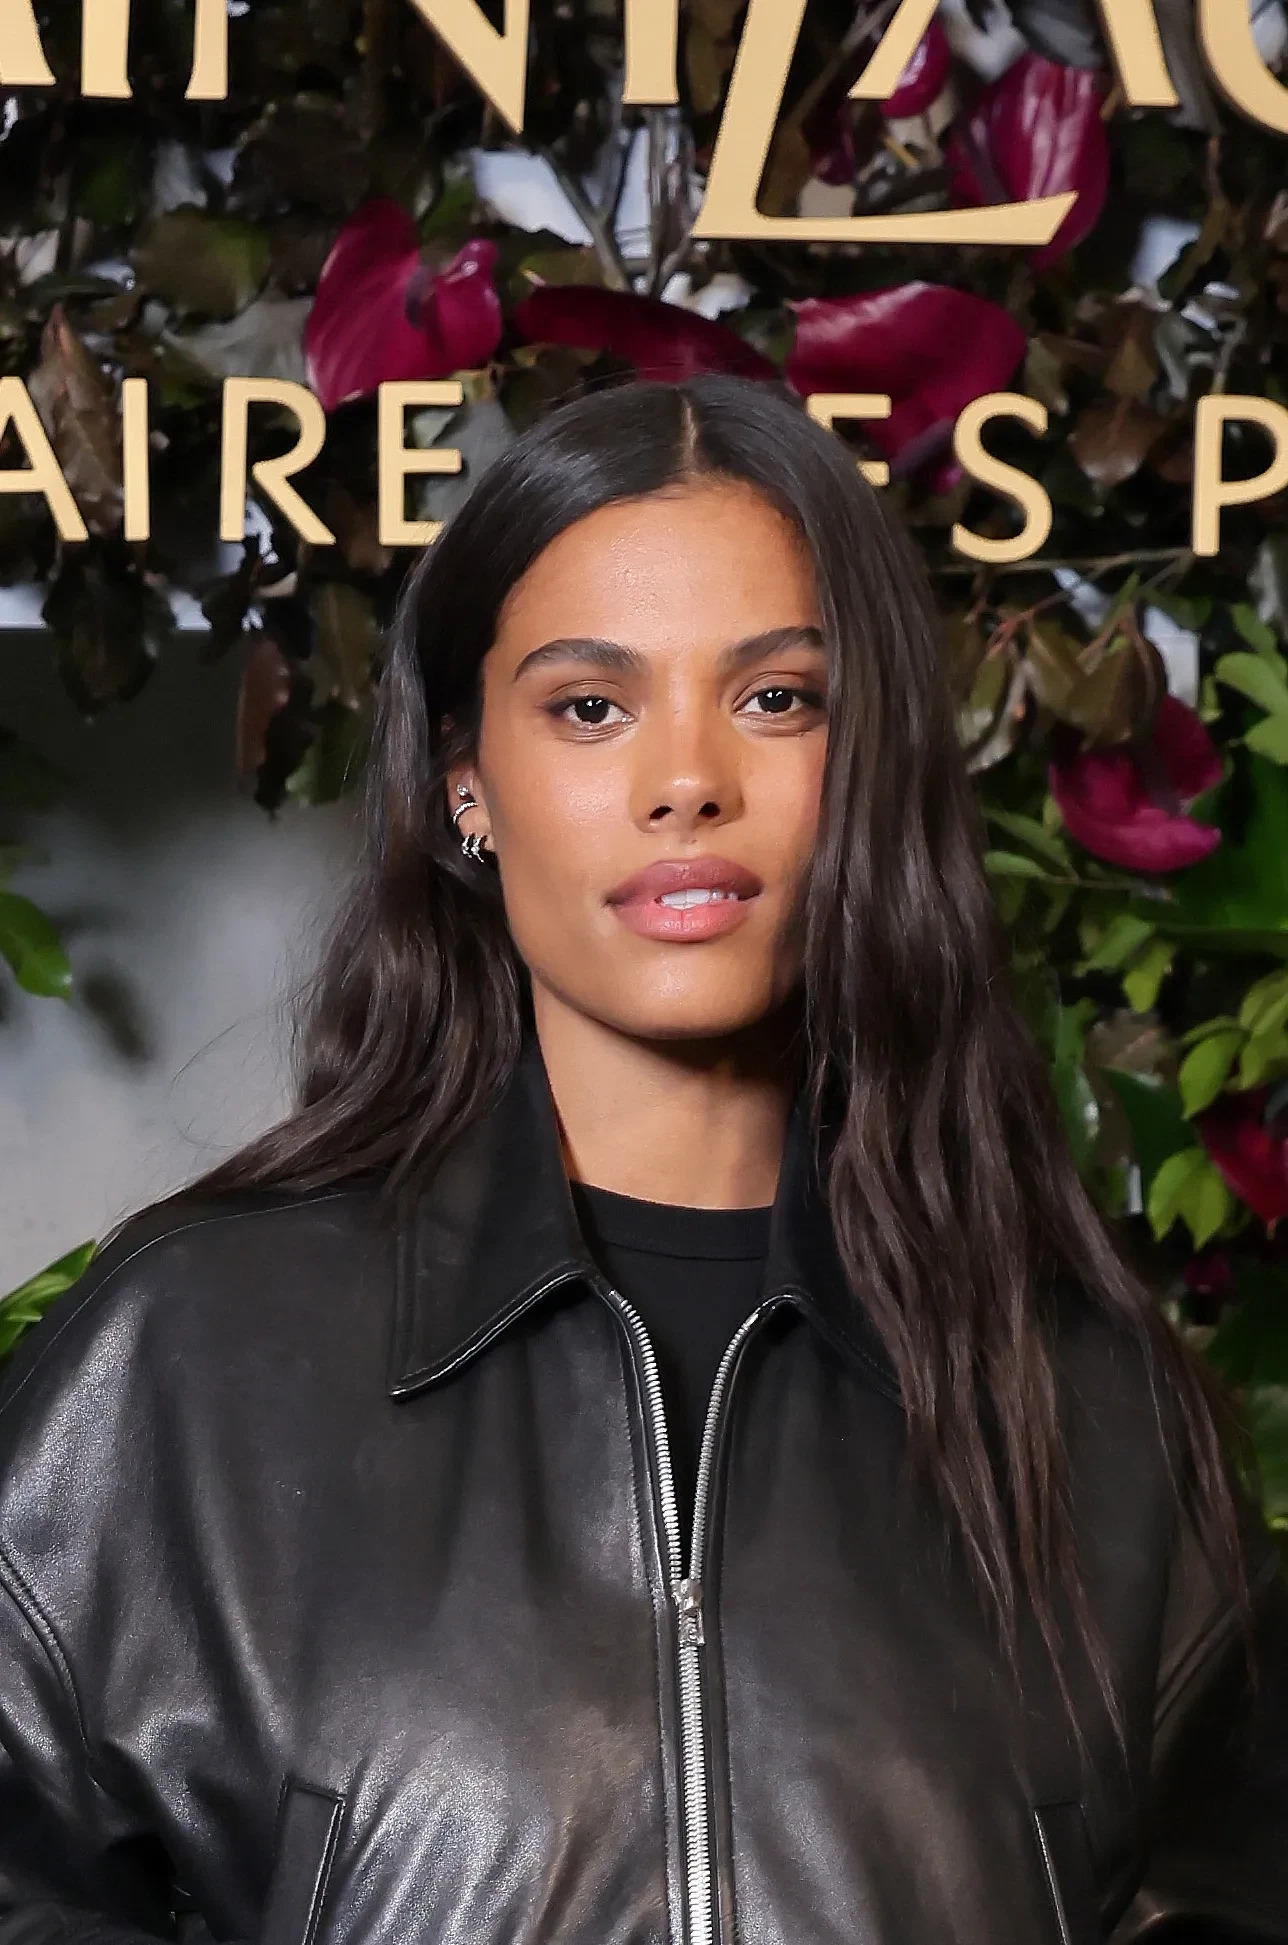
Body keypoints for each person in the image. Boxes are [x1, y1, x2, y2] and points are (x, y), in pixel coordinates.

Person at [0, 373, 1284, 1945]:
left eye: (778, 698)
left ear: (870, 762)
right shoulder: (186, 1367)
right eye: (590, 707)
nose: (689, 781)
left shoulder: (1095, 1412)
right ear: (469, 783)